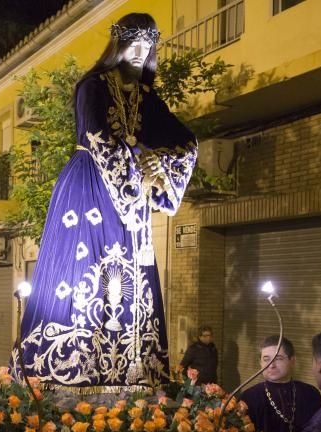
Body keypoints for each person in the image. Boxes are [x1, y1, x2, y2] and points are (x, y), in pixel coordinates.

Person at [16, 13, 196, 389]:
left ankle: (135, 366)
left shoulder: (147, 97)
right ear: (118, 45)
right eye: (134, 42)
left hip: (132, 204)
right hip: (89, 187)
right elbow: (98, 137)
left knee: (133, 272)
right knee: (83, 269)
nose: (140, 52)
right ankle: (75, 361)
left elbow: (184, 141)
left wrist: (158, 163)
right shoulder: (92, 86)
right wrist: (135, 175)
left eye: (148, 45)